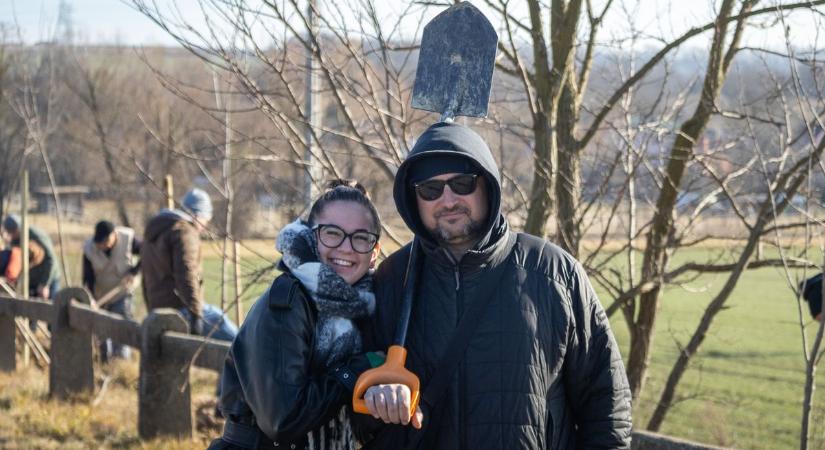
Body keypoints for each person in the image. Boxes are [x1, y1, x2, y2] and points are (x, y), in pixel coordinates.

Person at [355, 122, 633, 449]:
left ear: (488, 185)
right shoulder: (392, 279)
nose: (448, 200)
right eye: (430, 189)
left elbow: (606, 400)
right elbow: (352, 387)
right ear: (413, 199)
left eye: (462, 184)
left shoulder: (553, 273)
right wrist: (371, 393)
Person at [210, 180, 383, 450]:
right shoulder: (287, 303)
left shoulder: (366, 307)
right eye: (332, 233)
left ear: (374, 252)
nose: (346, 247)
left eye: (360, 236)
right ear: (312, 237)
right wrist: (353, 372)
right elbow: (283, 419)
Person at [141, 187, 237, 348]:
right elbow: (186, 273)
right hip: (180, 308)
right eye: (206, 220)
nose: (204, 226)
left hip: (157, 307)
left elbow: (146, 274)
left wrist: (151, 309)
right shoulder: (185, 231)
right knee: (237, 339)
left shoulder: (155, 231)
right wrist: (195, 314)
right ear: (197, 215)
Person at [82, 220, 141, 361]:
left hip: (122, 292)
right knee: (101, 331)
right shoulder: (89, 249)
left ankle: (121, 362)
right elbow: (87, 278)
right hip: (100, 295)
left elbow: (147, 253)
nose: (103, 245)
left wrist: (133, 272)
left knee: (121, 326)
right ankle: (104, 362)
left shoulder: (128, 239)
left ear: (114, 235)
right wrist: (90, 298)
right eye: (99, 243)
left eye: (106, 241)